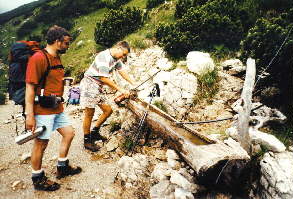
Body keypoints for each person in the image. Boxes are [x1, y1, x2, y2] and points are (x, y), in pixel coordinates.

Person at [25, 25, 81, 191]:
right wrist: (30, 115)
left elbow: (51, 79)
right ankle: (38, 178)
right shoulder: (38, 58)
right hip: (42, 110)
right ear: (57, 42)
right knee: (41, 144)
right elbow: (29, 87)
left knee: (69, 133)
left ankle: (62, 167)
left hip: (57, 107)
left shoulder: (56, 57)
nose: (67, 46)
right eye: (66, 43)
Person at [80, 41, 135, 152]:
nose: (123, 57)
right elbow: (103, 78)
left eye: (125, 55)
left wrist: (133, 83)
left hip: (98, 86)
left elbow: (122, 72)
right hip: (89, 84)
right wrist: (121, 89)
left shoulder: (116, 59)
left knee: (108, 110)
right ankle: (87, 140)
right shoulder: (104, 57)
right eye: (123, 54)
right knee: (89, 113)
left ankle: (94, 132)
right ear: (118, 48)